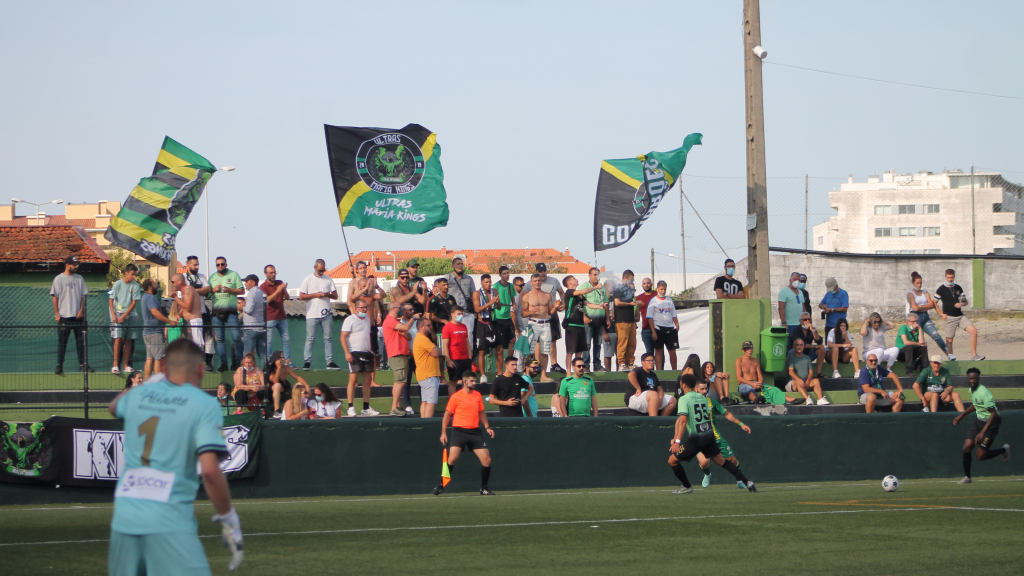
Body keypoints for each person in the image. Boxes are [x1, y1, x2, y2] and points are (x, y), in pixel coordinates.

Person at [106, 339, 243, 575]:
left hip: (125, 518)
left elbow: (113, 407)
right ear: (201, 369)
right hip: (169, 519)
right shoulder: (204, 404)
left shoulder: (140, 394)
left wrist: (152, 382)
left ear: (164, 369)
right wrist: (228, 517)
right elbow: (210, 471)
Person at [667, 373, 756, 495]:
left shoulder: (683, 399)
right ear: (695, 386)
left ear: (683, 385)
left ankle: (687, 486)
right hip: (709, 436)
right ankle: (747, 482)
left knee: (672, 461)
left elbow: (682, 421)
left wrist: (677, 442)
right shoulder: (703, 398)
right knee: (722, 462)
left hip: (696, 439)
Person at [434, 371, 496, 496]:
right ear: (464, 381)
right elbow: (447, 415)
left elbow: (481, 412)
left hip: (475, 432)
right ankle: (442, 485)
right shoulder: (456, 396)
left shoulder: (477, 395)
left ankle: (484, 488)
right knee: (452, 459)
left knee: (487, 460)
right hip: (459, 431)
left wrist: (487, 427)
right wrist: (443, 433)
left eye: (475, 380)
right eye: (472, 380)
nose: (474, 383)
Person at [954, 367, 1010, 484]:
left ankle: (1003, 450)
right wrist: (962, 415)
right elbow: (975, 404)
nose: (972, 380)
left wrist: (982, 432)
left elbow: (993, 413)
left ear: (979, 379)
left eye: (975, 378)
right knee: (966, 447)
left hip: (991, 422)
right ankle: (967, 477)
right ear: (968, 379)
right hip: (980, 421)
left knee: (980, 457)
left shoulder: (983, 392)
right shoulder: (971, 390)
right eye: (970, 378)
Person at [694, 380, 752, 490]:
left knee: (732, 461)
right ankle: (707, 474)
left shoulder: (711, 402)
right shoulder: (690, 403)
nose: (705, 391)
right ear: (696, 389)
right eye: (702, 389)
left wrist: (741, 424)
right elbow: (682, 420)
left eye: (706, 388)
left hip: (715, 438)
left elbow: (726, 414)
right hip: (700, 439)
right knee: (705, 461)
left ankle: (739, 480)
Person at [520, 263, 567, 372]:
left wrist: (562, 304)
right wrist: (528, 309)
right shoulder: (529, 286)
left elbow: (561, 292)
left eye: (544, 271)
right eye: (540, 271)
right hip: (535, 320)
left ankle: (553, 364)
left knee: (552, 340)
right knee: (535, 344)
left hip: (550, 316)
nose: (542, 273)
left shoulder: (553, 281)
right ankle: (536, 365)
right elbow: (522, 296)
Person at [299, 259, 340, 371]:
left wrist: (327, 294)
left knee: (328, 338)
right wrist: (315, 295)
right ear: (315, 268)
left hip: (326, 313)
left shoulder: (328, 279)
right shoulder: (308, 280)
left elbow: (335, 295)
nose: (321, 272)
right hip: (312, 314)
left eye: (323, 270)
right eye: (320, 270)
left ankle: (330, 361)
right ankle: (307, 361)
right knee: (310, 338)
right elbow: (301, 296)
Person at [936, 269, 984, 361]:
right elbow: (934, 302)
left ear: (954, 277)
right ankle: (951, 358)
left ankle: (974, 355)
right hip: (949, 317)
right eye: (948, 277)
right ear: (945, 277)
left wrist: (961, 304)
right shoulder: (941, 289)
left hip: (960, 316)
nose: (950, 279)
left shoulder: (958, 287)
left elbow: (965, 302)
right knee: (949, 339)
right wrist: (940, 314)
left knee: (973, 330)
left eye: (952, 277)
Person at [341, 298, 378, 417]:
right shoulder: (350, 319)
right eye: (362, 307)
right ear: (356, 309)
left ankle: (366, 407)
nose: (364, 310)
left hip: (366, 352)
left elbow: (367, 336)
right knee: (353, 380)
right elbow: (343, 337)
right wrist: (347, 352)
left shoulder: (367, 320)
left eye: (365, 307)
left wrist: (370, 349)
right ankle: (350, 407)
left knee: (367, 380)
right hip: (354, 352)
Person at [520, 273, 559, 382]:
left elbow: (550, 312)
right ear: (531, 282)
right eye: (535, 281)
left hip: (546, 323)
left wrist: (555, 307)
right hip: (533, 322)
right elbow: (523, 314)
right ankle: (526, 375)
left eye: (539, 280)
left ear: (541, 282)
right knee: (528, 351)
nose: (537, 282)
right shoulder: (527, 296)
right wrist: (531, 311)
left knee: (545, 350)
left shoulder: (547, 295)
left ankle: (543, 375)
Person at [209, 257, 245, 372]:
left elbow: (241, 290)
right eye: (218, 265)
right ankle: (224, 362)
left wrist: (229, 290)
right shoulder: (212, 277)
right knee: (220, 339)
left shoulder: (234, 275)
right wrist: (213, 290)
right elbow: (207, 294)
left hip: (231, 312)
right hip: (216, 312)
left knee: (236, 338)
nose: (220, 267)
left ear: (226, 264)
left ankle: (239, 362)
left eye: (222, 264)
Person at [561, 275, 602, 373]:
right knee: (570, 351)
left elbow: (589, 304)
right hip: (571, 325)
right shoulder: (569, 292)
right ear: (569, 282)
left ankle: (577, 370)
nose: (577, 279)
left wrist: (599, 306)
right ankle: (568, 372)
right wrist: (596, 287)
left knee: (579, 350)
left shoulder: (580, 296)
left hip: (580, 325)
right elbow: (584, 291)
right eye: (574, 279)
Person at [906, 271, 951, 359]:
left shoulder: (925, 292)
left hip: (925, 317)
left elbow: (932, 304)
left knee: (936, 335)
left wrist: (922, 307)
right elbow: (915, 308)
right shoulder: (910, 294)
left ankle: (949, 354)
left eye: (920, 283)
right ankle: (917, 359)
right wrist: (926, 306)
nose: (919, 285)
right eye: (917, 283)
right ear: (913, 283)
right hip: (915, 318)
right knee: (918, 340)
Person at [383, 302, 417, 416]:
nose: (401, 310)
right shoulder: (390, 320)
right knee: (401, 381)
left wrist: (404, 333)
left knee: (399, 381)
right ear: (393, 309)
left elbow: (408, 335)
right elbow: (406, 327)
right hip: (396, 353)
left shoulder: (396, 322)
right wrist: (413, 318)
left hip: (402, 353)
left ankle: (396, 406)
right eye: (399, 308)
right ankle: (394, 408)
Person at [182, 255, 215, 370]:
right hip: (190, 314)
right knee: (191, 339)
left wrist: (193, 290)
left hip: (203, 311)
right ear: (188, 265)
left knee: (208, 337)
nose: (197, 267)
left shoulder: (201, 277)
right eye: (194, 265)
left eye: (198, 265)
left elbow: (207, 289)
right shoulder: (183, 278)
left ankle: (208, 362)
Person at [109, 263, 142, 374]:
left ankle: (125, 365)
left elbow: (134, 302)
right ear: (126, 273)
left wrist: (126, 315)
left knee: (128, 340)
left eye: (135, 275)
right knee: (118, 339)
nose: (133, 277)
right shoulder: (117, 284)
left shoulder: (136, 286)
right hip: (118, 314)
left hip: (130, 315)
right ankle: (115, 365)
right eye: (132, 274)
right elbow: (110, 299)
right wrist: (114, 315)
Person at [139, 279, 172, 380]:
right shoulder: (150, 298)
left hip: (147, 332)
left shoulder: (144, 297)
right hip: (155, 332)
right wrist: (169, 321)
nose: (156, 286)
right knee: (159, 358)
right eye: (154, 284)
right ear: (150, 287)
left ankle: (147, 382)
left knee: (149, 358)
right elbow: (154, 312)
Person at [260, 264, 291, 366]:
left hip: (282, 316)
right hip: (270, 317)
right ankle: (269, 362)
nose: (273, 274)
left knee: (286, 339)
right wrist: (278, 291)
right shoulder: (263, 287)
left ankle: (288, 361)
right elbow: (267, 300)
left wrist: (284, 290)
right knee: (269, 341)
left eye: (274, 272)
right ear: (265, 274)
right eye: (271, 273)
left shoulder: (280, 283)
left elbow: (287, 297)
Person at [471, 274, 500, 382]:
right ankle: (483, 375)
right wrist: (490, 302)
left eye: (490, 282)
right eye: (486, 282)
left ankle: (499, 373)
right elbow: (477, 309)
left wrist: (497, 302)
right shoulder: (476, 294)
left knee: (499, 348)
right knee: (481, 350)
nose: (488, 284)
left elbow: (499, 307)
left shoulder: (494, 292)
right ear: (481, 283)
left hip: (493, 322)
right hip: (481, 323)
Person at [579, 267, 609, 372]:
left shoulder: (602, 288)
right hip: (588, 320)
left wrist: (607, 319)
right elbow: (579, 303)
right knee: (587, 343)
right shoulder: (584, 287)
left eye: (598, 274)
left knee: (598, 343)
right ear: (589, 275)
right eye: (594, 274)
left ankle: (597, 365)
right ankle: (586, 365)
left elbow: (606, 303)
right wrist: (584, 316)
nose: (596, 277)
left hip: (600, 320)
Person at [490, 267, 520, 371]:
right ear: (500, 275)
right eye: (504, 273)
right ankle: (499, 370)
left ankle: (509, 362)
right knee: (499, 346)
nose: (506, 275)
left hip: (508, 317)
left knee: (512, 339)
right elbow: (496, 302)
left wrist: (514, 305)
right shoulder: (495, 287)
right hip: (498, 318)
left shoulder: (511, 286)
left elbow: (513, 301)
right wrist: (506, 305)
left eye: (508, 273)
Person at [646, 280, 680, 370]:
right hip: (658, 328)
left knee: (672, 351)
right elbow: (649, 317)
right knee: (659, 350)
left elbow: (673, 314)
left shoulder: (669, 300)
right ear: (657, 289)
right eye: (661, 289)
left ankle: (674, 371)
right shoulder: (653, 301)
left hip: (670, 328)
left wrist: (676, 324)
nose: (663, 291)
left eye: (664, 289)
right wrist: (653, 331)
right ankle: (659, 371)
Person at [412, 321, 443, 418]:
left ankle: (424, 422)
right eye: (428, 325)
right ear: (421, 326)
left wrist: (435, 351)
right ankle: (428, 424)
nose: (430, 327)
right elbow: (436, 353)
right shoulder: (423, 339)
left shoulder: (419, 338)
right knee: (431, 401)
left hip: (424, 375)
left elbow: (433, 352)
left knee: (425, 401)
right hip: (428, 374)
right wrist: (438, 350)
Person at [446, 257, 477, 350]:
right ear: (453, 265)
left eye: (461, 264)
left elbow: (473, 294)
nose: (460, 266)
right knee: (454, 336)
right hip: (454, 313)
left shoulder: (469, 279)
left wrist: (475, 311)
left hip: (467, 313)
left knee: (468, 336)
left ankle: (469, 358)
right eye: (458, 264)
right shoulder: (447, 278)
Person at [442, 304, 473, 398]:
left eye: (462, 314)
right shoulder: (447, 327)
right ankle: (453, 403)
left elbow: (467, 342)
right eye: (459, 314)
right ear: (452, 314)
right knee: (453, 382)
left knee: (467, 381)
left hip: (465, 358)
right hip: (454, 359)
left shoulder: (464, 326)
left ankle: (466, 400)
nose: (461, 316)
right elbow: (445, 345)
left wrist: (470, 357)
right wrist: (448, 360)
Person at [786, 339, 829, 405]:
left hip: (805, 382)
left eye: (801, 345)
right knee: (798, 382)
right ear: (794, 346)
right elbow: (790, 371)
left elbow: (811, 372)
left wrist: (807, 381)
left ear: (803, 346)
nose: (799, 346)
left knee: (816, 381)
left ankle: (820, 399)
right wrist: (799, 380)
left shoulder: (807, 358)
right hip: (793, 383)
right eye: (797, 345)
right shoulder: (791, 358)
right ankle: (808, 399)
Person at [267, 350, 307, 418]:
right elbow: (275, 381)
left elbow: (297, 377)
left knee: (299, 384)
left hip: (283, 392)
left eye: (283, 357)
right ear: (276, 358)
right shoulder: (269, 368)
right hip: (270, 393)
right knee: (277, 385)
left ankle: (302, 407)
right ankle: (276, 410)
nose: (283, 359)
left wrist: (307, 386)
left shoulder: (286, 368)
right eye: (280, 357)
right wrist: (279, 368)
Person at [612, 270, 639, 371]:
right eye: (631, 279)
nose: (632, 281)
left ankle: (630, 362)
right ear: (625, 278)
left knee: (632, 342)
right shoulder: (617, 289)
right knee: (622, 342)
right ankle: (622, 363)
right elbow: (617, 303)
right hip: (622, 320)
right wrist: (630, 304)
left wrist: (636, 303)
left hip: (631, 320)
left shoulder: (630, 290)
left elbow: (631, 301)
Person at [170, 274, 204, 350]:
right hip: (189, 322)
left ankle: (200, 361)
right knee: (189, 347)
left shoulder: (188, 289)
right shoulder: (183, 291)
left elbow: (188, 308)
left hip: (194, 321)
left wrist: (175, 297)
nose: (171, 284)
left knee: (197, 346)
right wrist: (180, 314)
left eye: (172, 282)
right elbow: (184, 307)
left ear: (179, 281)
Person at [239, 274, 266, 367]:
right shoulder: (260, 292)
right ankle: (266, 374)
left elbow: (249, 309)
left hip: (251, 328)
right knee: (262, 355)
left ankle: (245, 377)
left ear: (252, 282)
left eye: (246, 282)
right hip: (260, 328)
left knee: (247, 355)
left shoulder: (252, 292)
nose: (245, 284)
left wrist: (243, 307)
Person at [787, 312, 825, 377]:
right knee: (794, 350)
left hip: (807, 355)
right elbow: (800, 344)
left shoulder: (812, 329)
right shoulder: (796, 330)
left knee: (821, 348)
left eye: (809, 319)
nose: (807, 321)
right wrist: (814, 346)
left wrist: (813, 331)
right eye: (805, 320)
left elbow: (819, 341)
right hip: (795, 354)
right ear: (800, 321)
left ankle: (818, 373)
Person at [636, 277, 656, 356]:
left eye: (648, 283)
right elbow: (637, 313)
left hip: (657, 327)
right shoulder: (639, 298)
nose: (646, 285)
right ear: (642, 285)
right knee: (649, 352)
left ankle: (660, 368)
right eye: (644, 283)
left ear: (651, 284)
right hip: (646, 328)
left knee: (659, 352)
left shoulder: (656, 295)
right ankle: (651, 368)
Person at [601, 279, 618, 371]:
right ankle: (608, 372)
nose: (612, 288)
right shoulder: (602, 301)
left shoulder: (617, 299)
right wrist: (603, 332)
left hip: (619, 330)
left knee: (620, 355)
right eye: (610, 286)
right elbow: (600, 318)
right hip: (608, 331)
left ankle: (619, 373)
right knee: (608, 354)